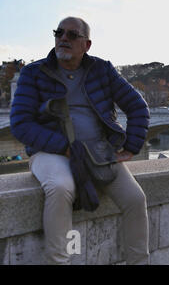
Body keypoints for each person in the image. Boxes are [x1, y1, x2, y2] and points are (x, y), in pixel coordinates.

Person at [9, 17, 150, 265]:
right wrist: (63, 147)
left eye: (72, 35)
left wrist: (131, 147)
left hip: (98, 150)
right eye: (59, 32)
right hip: (51, 152)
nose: (64, 38)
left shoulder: (102, 69)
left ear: (87, 44)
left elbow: (137, 106)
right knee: (61, 187)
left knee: (136, 199)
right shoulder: (34, 72)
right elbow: (21, 124)